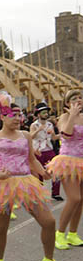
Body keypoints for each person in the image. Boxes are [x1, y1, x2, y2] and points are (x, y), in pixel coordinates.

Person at [0, 92, 61, 261]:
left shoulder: (25, 135)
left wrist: (43, 172)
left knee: (49, 222)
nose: (17, 118)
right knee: (1, 226)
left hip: (26, 182)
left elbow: (31, 159)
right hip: (2, 184)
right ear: (2, 117)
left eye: (19, 115)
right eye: (13, 115)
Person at [50, 89, 83, 249]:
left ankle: (73, 233)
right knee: (74, 198)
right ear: (67, 103)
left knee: (81, 200)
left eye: (80, 98)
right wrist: (72, 115)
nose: (78, 101)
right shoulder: (63, 117)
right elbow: (66, 134)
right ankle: (60, 234)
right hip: (68, 161)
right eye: (74, 99)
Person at [30, 103, 62, 202]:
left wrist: (61, 134)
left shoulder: (50, 124)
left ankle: (55, 193)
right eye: (43, 112)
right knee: (39, 174)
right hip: (38, 151)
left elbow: (54, 138)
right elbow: (30, 137)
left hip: (49, 150)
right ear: (38, 114)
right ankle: (40, 193)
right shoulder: (34, 125)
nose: (46, 114)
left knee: (56, 171)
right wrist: (38, 130)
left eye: (46, 112)